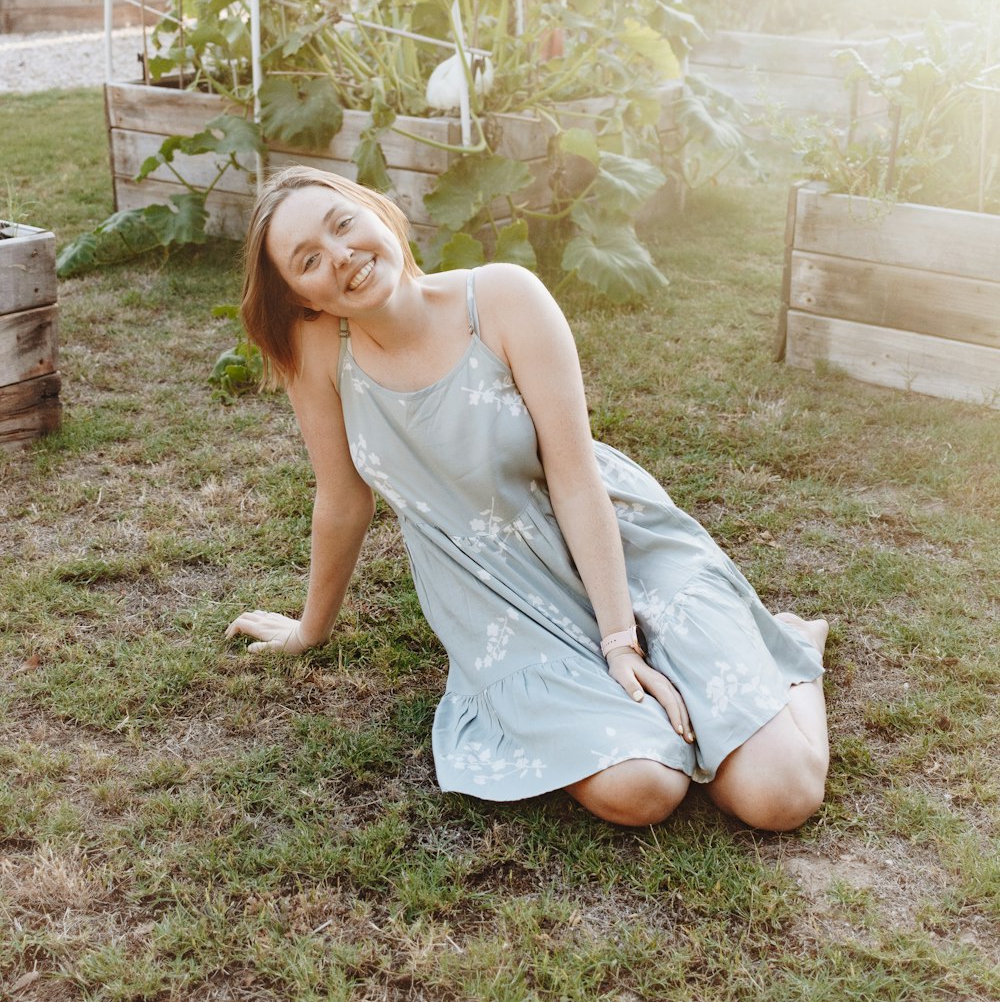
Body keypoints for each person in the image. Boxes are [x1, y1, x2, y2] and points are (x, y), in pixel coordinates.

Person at [227, 166, 829, 831]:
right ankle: (680, 697)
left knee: (781, 796)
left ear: (377, 213)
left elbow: (575, 476)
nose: (340, 256)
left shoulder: (504, 299)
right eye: (308, 259)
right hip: (501, 602)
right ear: (299, 296)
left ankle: (793, 651)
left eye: (342, 225)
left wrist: (621, 641)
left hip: (621, 549)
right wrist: (310, 629)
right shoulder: (317, 349)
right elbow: (342, 499)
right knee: (642, 791)